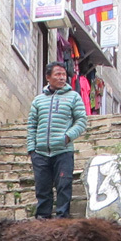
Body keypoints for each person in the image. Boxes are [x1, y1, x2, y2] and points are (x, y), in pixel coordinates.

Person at [26, 62, 87, 219]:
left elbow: (81, 121)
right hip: (40, 152)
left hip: (63, 151)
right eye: (57, 74)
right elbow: (32, 125)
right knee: (42, 188)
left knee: (63, 186)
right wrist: (31, 149)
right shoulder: (38, 100)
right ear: (48, 77)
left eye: (63, 75)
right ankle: (42, 220)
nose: (61, 78)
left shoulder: (73, 97)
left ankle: (62, 220)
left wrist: (67, 137)